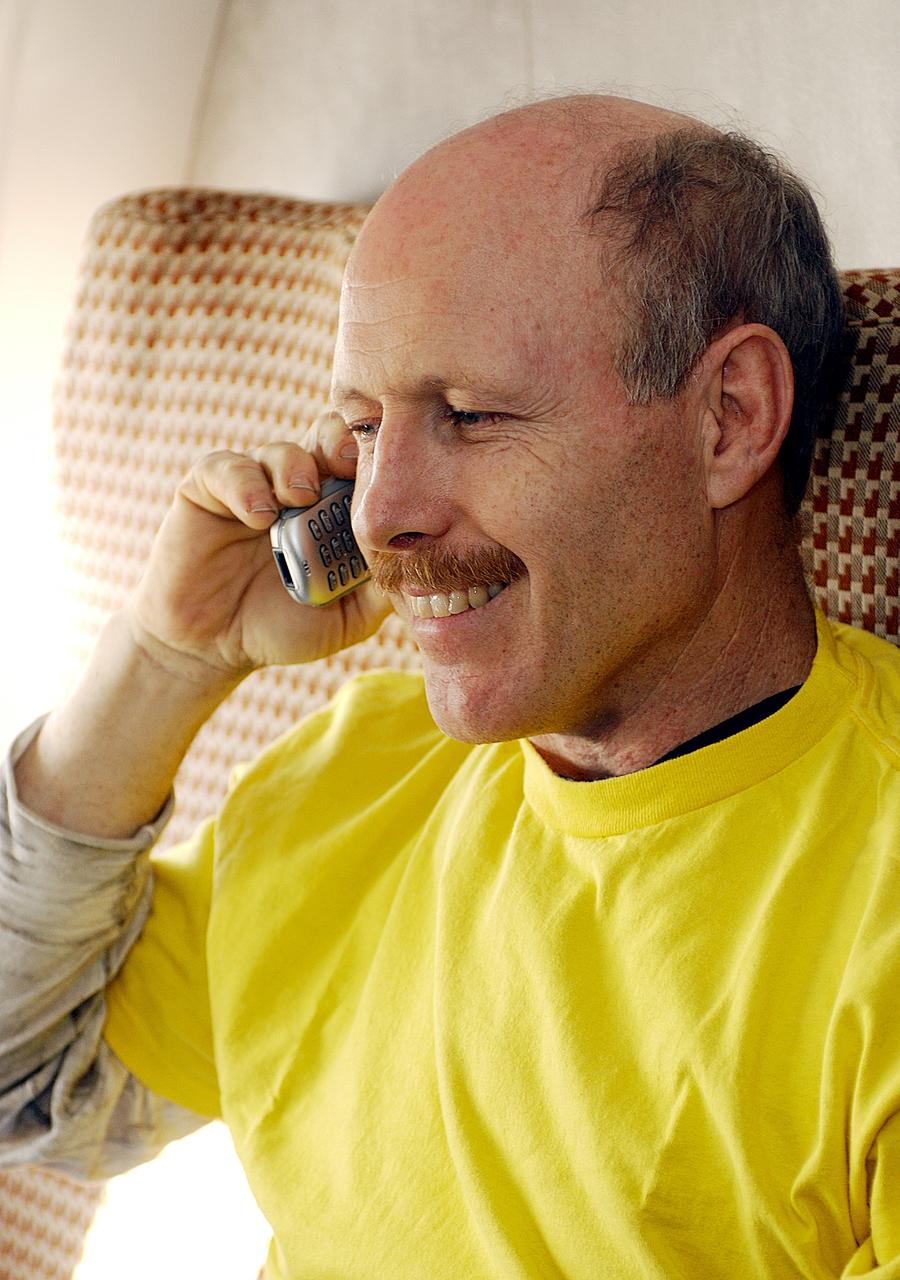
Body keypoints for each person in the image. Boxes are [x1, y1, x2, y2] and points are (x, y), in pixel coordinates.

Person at [1, 93, 898, 1279]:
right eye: (364, 426)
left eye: (469, 415)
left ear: (729, 418)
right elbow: (33, 1080)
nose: (379, 513)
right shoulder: (356, 772)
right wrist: (165, 662)